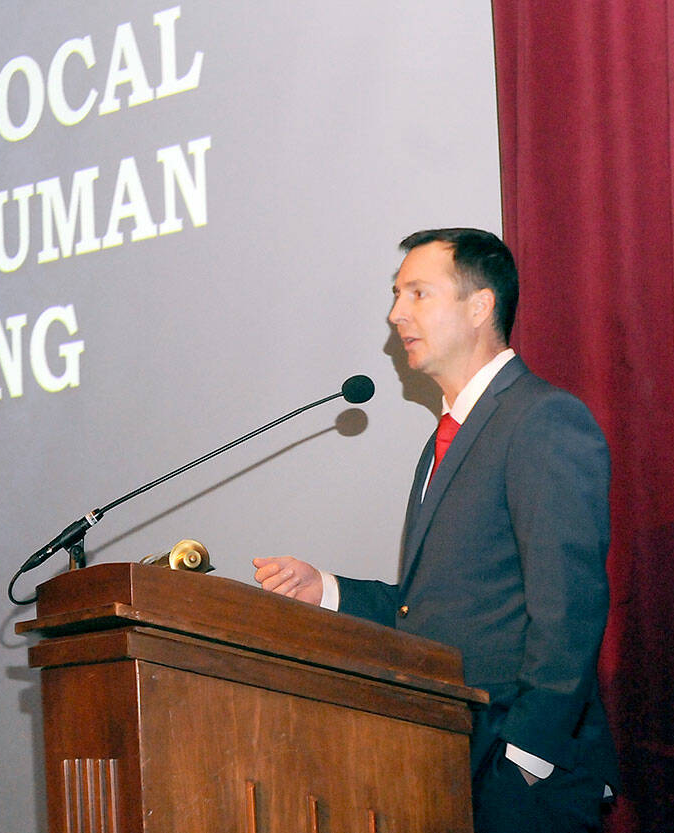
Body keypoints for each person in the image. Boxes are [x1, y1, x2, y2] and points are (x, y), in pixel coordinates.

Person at [253, 229, 618, 833]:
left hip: (519, 773)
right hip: (447, 757)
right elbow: (435, 608)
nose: (396, 313)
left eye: (419, 293)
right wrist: (329, 590)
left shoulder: (542, 419)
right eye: (397, 295)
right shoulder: (444, 441)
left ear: (480, 307)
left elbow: (570, 609)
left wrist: (525, 758)